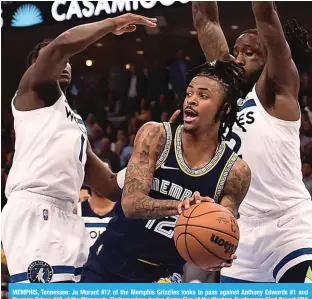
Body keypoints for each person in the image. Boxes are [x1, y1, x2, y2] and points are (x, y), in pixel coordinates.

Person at [1, 13, 157, 283]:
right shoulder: (31, 93)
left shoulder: (72, 124)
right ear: (35, 68)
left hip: (67, 215)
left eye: (67, 61)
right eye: (54, 58)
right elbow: (61, 46)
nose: (63, 63)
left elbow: (109, 184)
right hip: (34, 209)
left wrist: (155, 160)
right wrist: (111, 24)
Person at [80, 60, 251, 283]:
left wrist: (220, 251)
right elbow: (130, 204)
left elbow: (223, 228)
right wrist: (180, 206)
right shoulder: (156, 136)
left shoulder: (235, 172)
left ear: (225, 108)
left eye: (203, 96)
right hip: (111, 261)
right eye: (189, 93)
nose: (191, 100)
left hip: (164, 275)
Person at [192, 1, 312, 283]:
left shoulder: (277, 92)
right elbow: (205, 20)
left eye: (250, 53)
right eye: (236, 51)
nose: (238, 58)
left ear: (270, 58)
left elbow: (266, 14)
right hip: (240, 232)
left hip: (289, 225)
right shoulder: (226, 99)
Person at [75, 163, 115, 246]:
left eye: (105, 176)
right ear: (88, 179)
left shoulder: (123, 211)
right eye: (97, 176)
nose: (101, 181)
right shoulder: (76, 211)